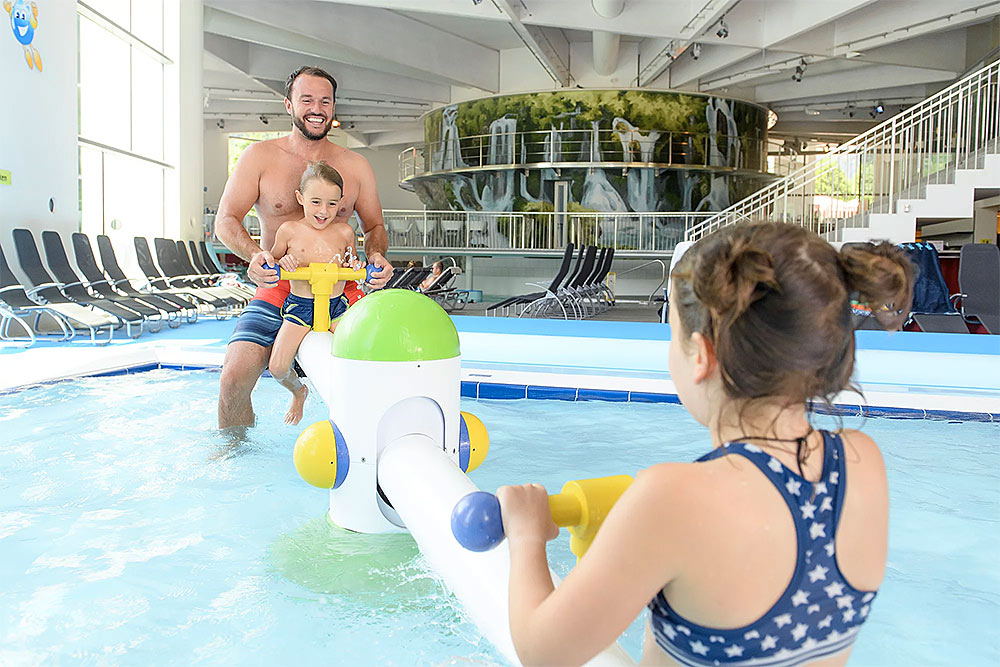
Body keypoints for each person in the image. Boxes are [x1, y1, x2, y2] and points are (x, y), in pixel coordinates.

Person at [497, 222, 914, 666]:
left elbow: (543, 652)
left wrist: (527, 534)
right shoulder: (861, 462)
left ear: (700, 355)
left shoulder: (672, 496)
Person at [214, 65, 393, 430]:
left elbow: (374, 226)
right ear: (288, 104)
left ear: (333, 108)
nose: (317, 108)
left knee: (378, 376)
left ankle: (371, 453)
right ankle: (236, 457)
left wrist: (376, 256)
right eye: (307, 99)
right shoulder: (260, 157)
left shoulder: (355, 166)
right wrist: (256, 256)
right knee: (233, 378)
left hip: (343, 290)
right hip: (281, 286)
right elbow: (226, 220)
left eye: (325, 101)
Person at [267, 162, 356, 425]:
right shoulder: (289, 231)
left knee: (357, 355)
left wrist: (356, 266)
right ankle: (298, 391)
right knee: (278, 367)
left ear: (341, 203)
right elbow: (271, 263)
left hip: (335, 307)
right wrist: (283, 263)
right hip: (302, 307)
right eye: (315, 201)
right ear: (300, 198)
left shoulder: (345, 232)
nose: (323, 211)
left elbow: (352, 262)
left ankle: (350, 403)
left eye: (331, 204)